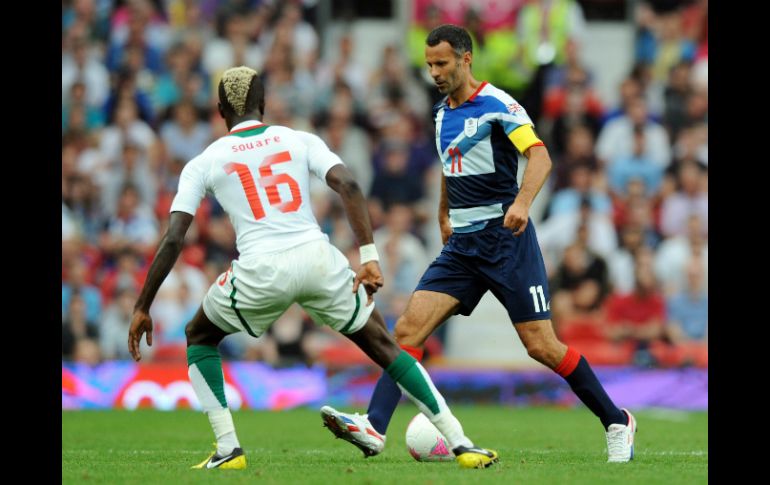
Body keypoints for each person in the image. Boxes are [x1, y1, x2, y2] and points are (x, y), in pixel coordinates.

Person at [127, 66, 498, 470]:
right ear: (263, 106)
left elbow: (174, 237)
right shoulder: (298, 139)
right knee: (386, 348)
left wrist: (142, 305)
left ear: (219, 111)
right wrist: (369, 257)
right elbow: (350, 186)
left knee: (199, 335)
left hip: (260, 269)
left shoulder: (204, 161)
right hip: (317, 258)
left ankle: (228, 450)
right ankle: (462, 444)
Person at [320, 25, 636, 464]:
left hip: (507, 241)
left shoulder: (499, 105)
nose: (434, 72)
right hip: (463, 246)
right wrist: (442, 215)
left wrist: (523, 202)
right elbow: (452, 168)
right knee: (408, 330)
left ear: (466, 59)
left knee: (541, 346)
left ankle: (616, 420)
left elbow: (540, 155)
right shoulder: (439, 114)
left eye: (442, 63)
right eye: (429, 64)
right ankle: (374, 426)